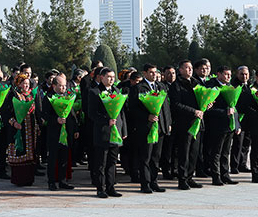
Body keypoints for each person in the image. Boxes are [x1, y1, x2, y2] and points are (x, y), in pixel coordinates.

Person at [128, 63, 169, 193]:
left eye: (155, 72)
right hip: (145, 127)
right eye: (151, 72)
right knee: (145, 156)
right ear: (144, 73)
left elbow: (166, 107)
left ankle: (154, 181)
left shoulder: (161, 86)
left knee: (156, 157)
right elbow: (132, 108)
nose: (154, 74)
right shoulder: (138, 88)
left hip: (159, 127)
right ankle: (145, 183)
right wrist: (147, 116)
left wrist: (167, 123)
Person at [88, 67, 126, 198]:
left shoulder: (116, 91)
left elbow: (121, 112)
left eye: (113, 77)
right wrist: (106, 120)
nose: (111, 79)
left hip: (116, 131)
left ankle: (111, 187)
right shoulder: (94, 92)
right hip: (103, 132)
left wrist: (123, 130)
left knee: (112, 162)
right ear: (101, 77)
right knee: (101, 162)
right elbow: (92, 113)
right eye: (108, 77)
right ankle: (101, 188)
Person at [169, 60, 205, 190]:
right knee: (184, 152)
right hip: (184, 123)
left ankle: (190, 177)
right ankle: (182, 179)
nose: (190, 70)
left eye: (191, 68)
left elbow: (202, 99)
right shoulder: (176, 85)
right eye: (186, 68)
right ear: (180, 70)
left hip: (197, 122)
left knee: (194, 152)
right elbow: (176, 105)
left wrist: (207, 105)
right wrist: (193, 111)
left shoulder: (196, 83)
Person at [204, 65, 240, 186]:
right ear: (218, 74)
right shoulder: (211, 86)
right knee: (216, 152)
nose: (229, 77)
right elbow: (208, 108)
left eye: (230, 74)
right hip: (217, 125)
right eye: (226, 74)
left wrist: (237, 125)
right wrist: (224, 112)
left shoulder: (230, 87)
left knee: (226, 152)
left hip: (229, 125)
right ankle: (216, 176)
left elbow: (234, 107)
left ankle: (225, 175)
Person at [3, 73, 39, 186]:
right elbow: (6, 112)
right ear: (19, 84)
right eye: (24, 83)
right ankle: (19, 180)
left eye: (28, 84)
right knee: (20, 152)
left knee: (31, 153)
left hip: (30, 129)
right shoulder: (13, 95)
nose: (26, 86)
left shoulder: (31, 95)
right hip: (18, 129)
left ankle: (29, 179)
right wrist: (14, 123)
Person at [44, 73, 78, 191]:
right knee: (53, 157)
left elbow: (72, 114)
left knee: (64, 157)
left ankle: (63, 181)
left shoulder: (68, 96)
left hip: (66, 131)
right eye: (61, 85)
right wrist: (56, 119)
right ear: (54, 86)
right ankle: (52, 181)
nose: (63, 88)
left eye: (65, 85)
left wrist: (76, 128)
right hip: (54, 132)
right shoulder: (48, 97)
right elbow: (45, 114)